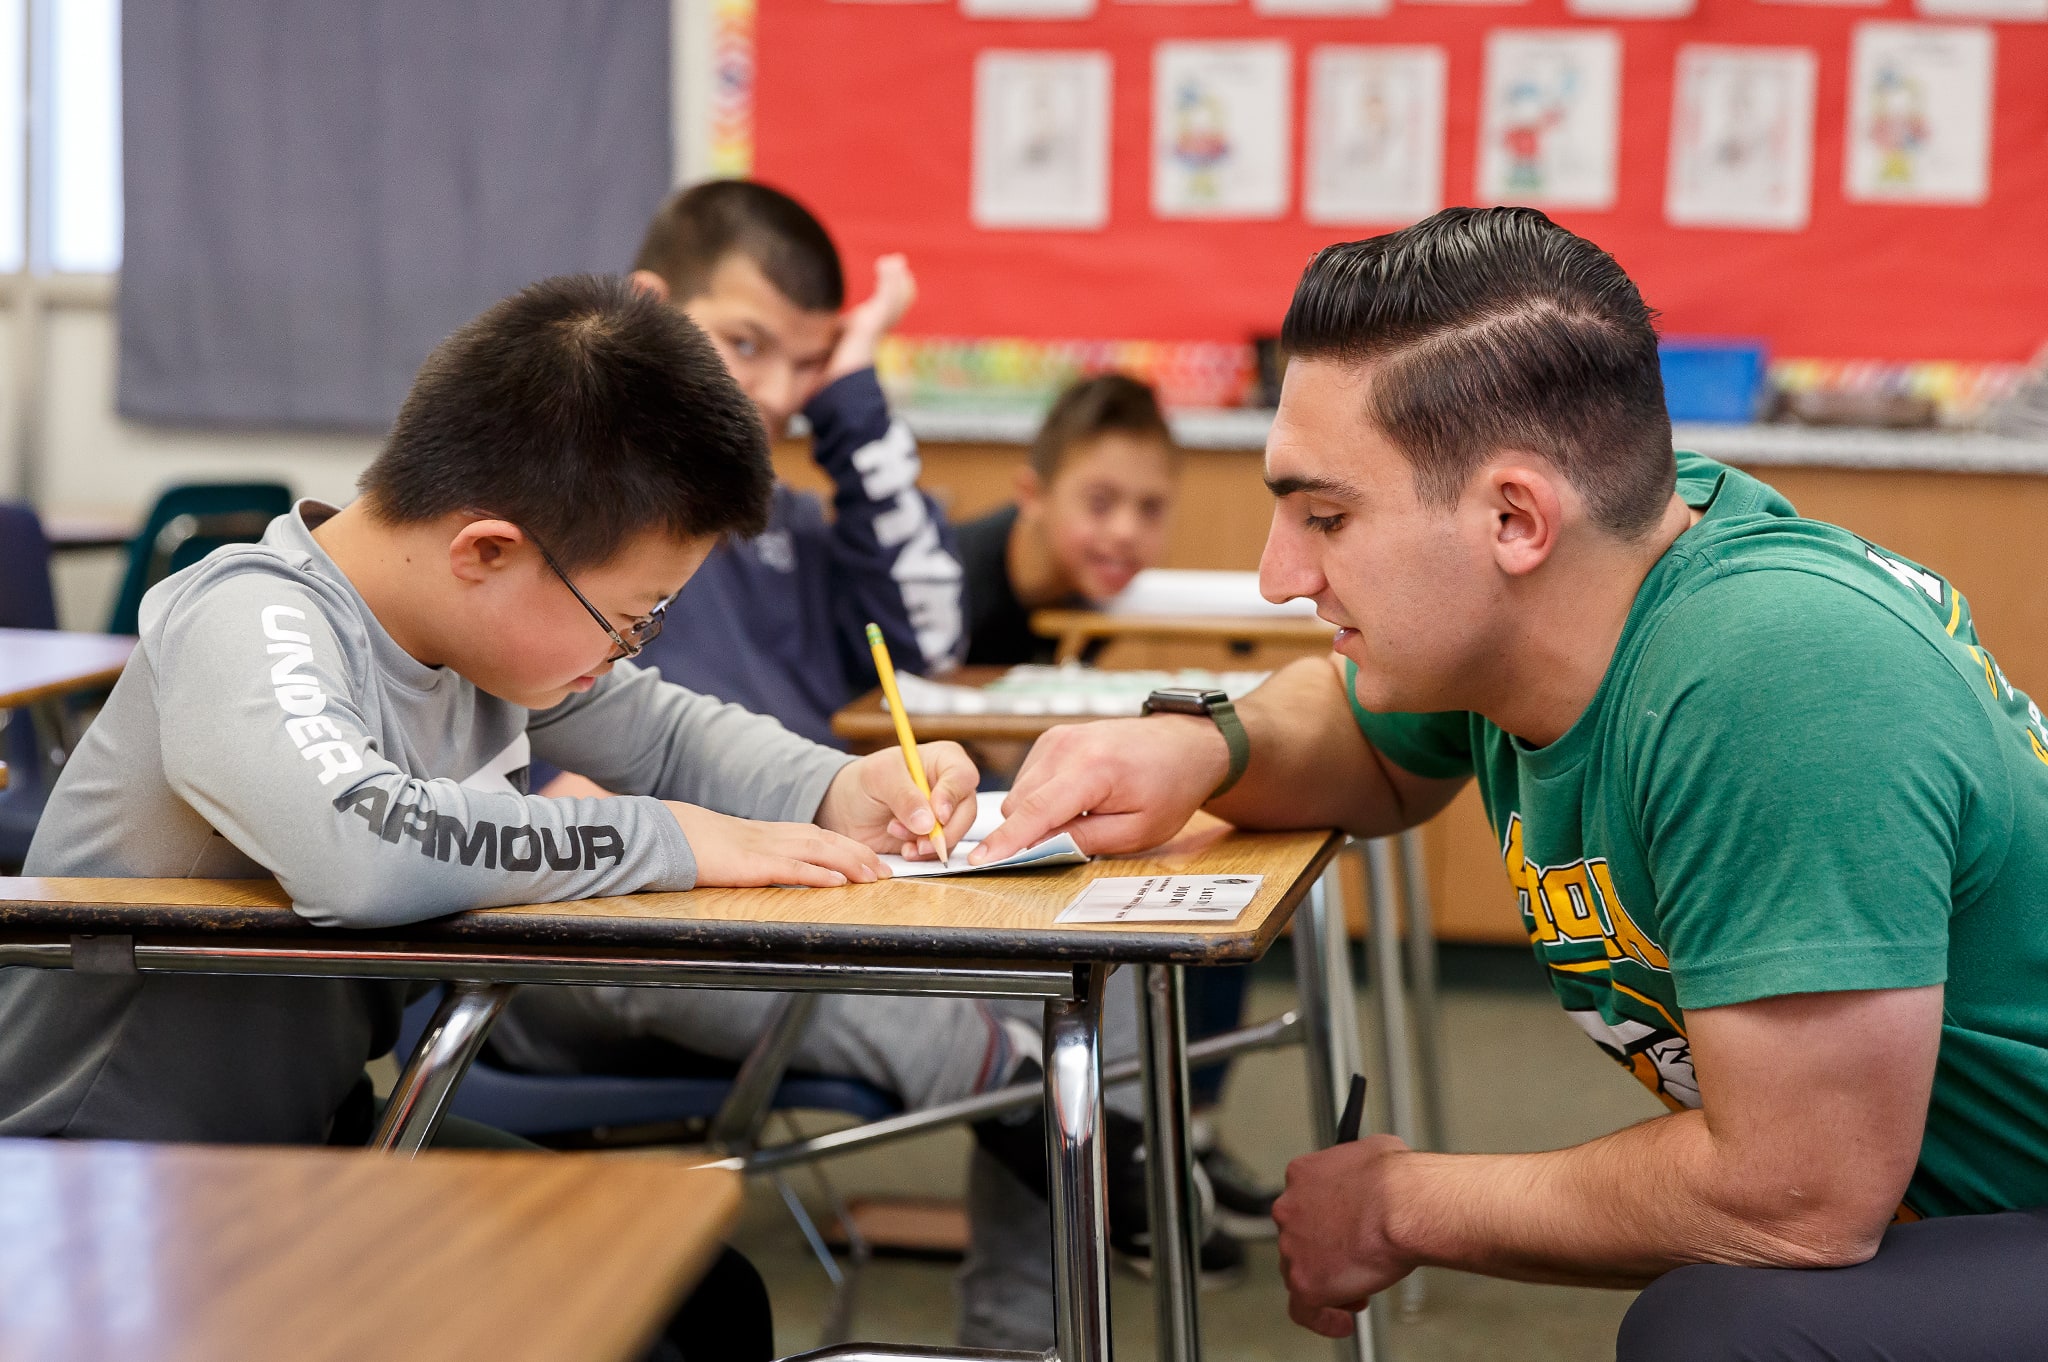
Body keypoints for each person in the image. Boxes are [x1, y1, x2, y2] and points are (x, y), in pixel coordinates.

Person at [972, 206, 2048, 1361]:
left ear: (1512, 516)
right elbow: (1368, 738)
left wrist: (1396, 1204)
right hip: (1947, 1210)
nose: (1278, 575)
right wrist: (1204, 745)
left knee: (1726, 1332)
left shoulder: (1773, 670)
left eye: (1325, 516)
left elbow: (1791, 1196)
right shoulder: (1590, 567)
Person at [0, 275, 983, 1362]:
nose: (627, 649)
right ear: (487, 551)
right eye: (627, 618)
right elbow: (358, 846)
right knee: (623, 1328)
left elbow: (661, 732)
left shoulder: (468, 635)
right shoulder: (252, 614)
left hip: (299, 1139)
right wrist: (661, 836)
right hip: (94, 1177)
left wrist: (836, 788)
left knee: (701, 1296)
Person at [955, 372, 1178, 666]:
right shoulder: (946, 587)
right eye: (1100, 503)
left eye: (1150, 508)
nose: (1127, 532)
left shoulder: (1097, 586)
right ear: (1032, 494)